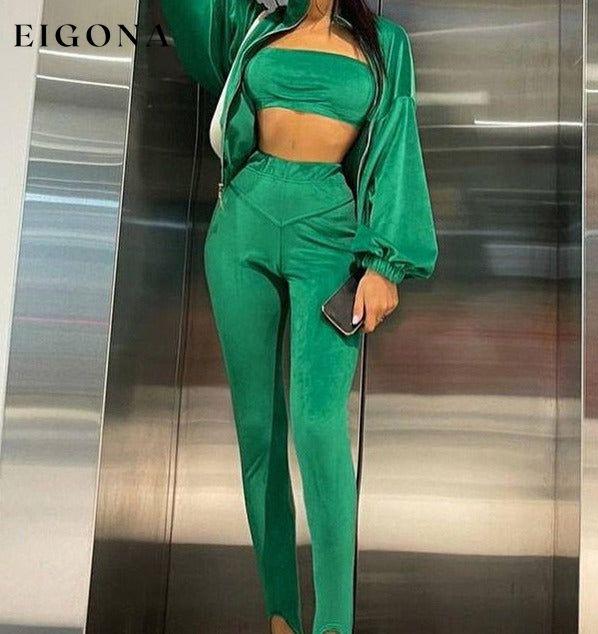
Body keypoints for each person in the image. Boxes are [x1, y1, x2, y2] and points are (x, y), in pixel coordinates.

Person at [161, 0, 438, 631]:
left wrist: (386, 263)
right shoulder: (257, 24)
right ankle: (280, 615)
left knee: (317, 426)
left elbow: (397, 139)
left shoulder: (384, 42)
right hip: (242, 223)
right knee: (258, 429)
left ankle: (333, 625)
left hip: (329, 234)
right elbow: (195, 21)